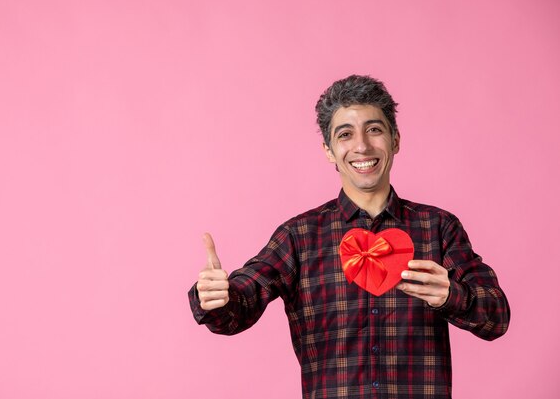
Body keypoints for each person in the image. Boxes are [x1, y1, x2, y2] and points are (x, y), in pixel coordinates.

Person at [188, 75, 510, 399]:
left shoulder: (439, 228)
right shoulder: (299, 237)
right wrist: (217, 295)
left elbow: (496, 318)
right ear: (329, 150)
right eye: (345, 134)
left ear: (396, 139)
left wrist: (452, 296)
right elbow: (239, 304)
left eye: (374, 129)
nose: (362, 146)